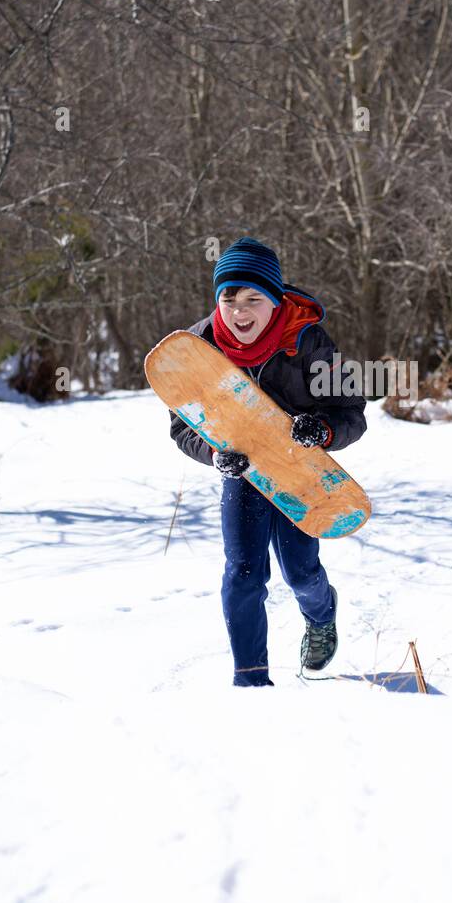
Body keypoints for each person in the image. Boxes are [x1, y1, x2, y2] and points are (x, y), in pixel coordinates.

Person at [168, 237, 367, 686]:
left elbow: (352, 412)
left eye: (253, 299)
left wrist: (323, 430)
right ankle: (251, 681)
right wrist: (216, 454)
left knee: (301, 572)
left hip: (301, 470)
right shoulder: (200, 347)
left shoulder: (308, 340)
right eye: (229, 298)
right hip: (245, 472)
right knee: (242, 575)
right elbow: (183, 428)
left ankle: (321, 617)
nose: (239, 311)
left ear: (274, 301)